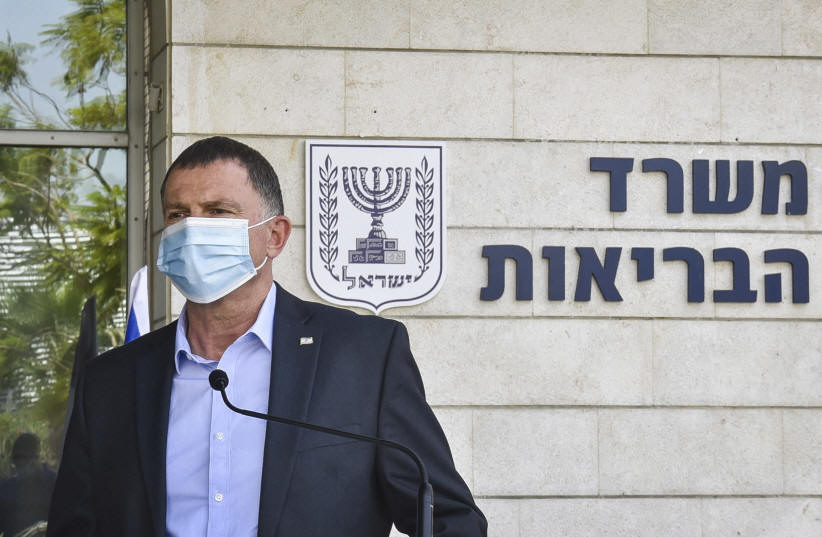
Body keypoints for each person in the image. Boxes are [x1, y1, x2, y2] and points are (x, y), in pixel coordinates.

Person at [47, 136, 486, 537]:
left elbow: (449, 517)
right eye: (178, 214)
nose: (193, 229)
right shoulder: (111, 381)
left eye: (218, 211)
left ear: (274, 236)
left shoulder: (364, 358)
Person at [0, 433, 55, 537]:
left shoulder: (54, 484)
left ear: (35, 459)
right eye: (17, 464)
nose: (19, 468)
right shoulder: (6, 489)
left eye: (22, 463)